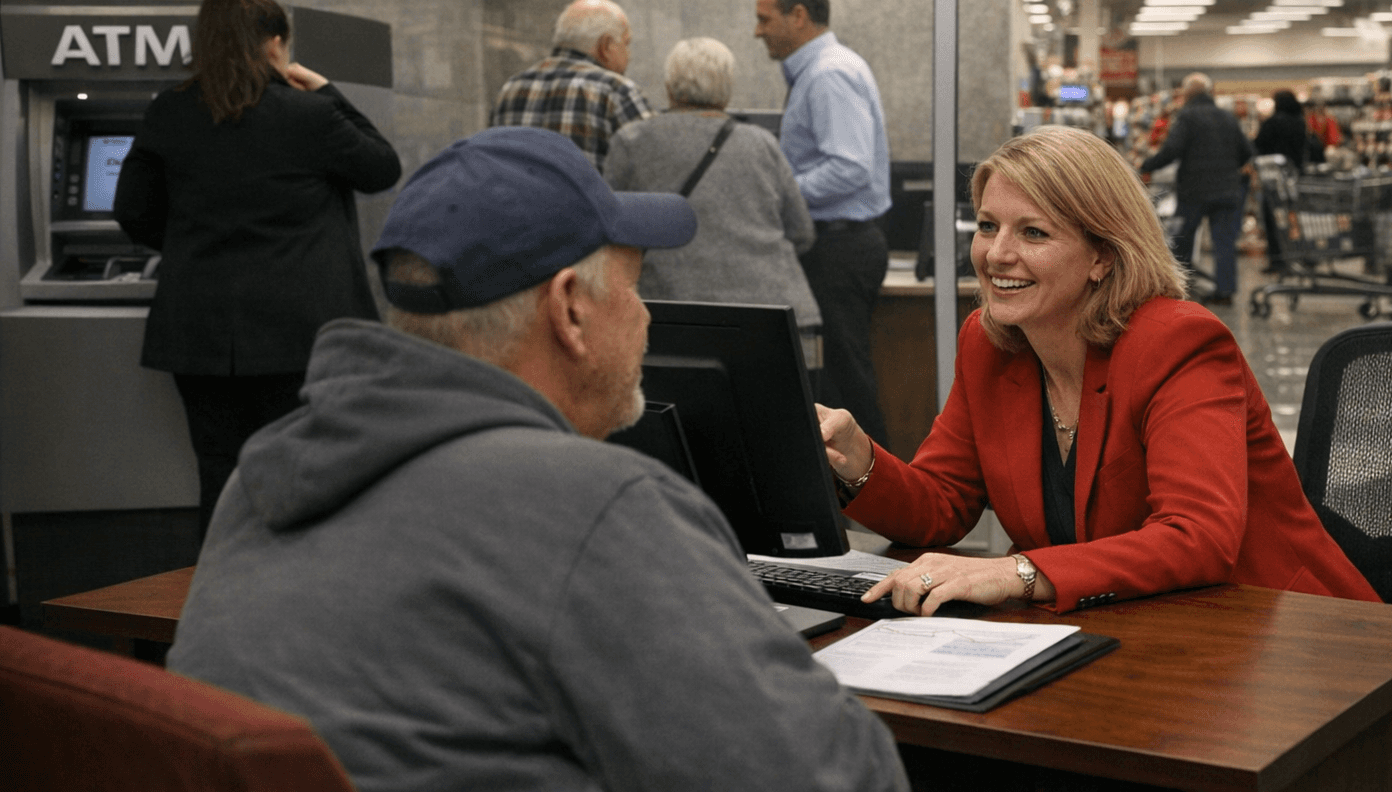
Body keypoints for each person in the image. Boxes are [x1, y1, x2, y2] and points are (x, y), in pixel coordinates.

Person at [167, 127, 909, 792]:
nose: (647, 315)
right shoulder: (596, 506)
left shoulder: (260, 479)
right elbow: (838, 776)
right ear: (570, 309)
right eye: (635, 282)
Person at [819, 126, 1378, 618]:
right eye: (988, 226)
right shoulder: (990, 345)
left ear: (1102, 256)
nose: (995, 254)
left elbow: (1197, 537)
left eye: (1033, 233)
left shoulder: (1179, 342)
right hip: (1133, 634)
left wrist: (1015, 573)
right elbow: (941, 504)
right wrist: (858, 459)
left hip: (1285, 636)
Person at [113, 0, 401, 540]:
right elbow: (381, 168)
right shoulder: (307, 113)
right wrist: (330, 92)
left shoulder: (169, 111)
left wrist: (190, 251)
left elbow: (132, 209)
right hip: (299, 331)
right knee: (301, 471)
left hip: (198, 332)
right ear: (274, 45)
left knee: (220, 475)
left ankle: (216, 606)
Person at [605, 37, 822, 359]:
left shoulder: (633, 141)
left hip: (677, 320)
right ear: (727, 87)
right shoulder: (762, 143)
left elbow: (611, 232)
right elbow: (802, 232)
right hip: (776, 320)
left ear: (670, 86)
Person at [754, 0, 891, 446]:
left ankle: (881, 501)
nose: (757, 31)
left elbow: (850, 167)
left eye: (764, 18)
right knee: (837, 380)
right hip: (833, 244)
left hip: (839, 246)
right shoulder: (820, 70)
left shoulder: (828, 73)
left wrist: (779, 194)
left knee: (845, 383)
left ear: (798, 16)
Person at [489, 0, 652, 170]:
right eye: (626, 44)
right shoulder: (617, 92)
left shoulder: (510, 90)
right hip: (590, 198)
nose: (629, 55)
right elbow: (657, 165)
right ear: (605, 46)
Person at [1138, 73, 1254, 306]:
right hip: (1227, 190)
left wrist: (1145, 166)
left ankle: (1181, 287)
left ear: (1188, 93)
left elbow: (1173, 149)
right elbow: (1246, 152)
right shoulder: (1227, 117)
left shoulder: (1187, 116)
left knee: (1183, 238)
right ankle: (1225, 292)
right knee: (1224, 244)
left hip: (1195, 190)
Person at [1253, 90, 1310, 273]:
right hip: (1296, 177)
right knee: (1295, 219)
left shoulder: (1272, 123)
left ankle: (1277, 259)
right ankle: (1299, 255)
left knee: (1273, 219)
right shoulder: (1300, 122)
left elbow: (1258, 145)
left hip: (1273, 180)